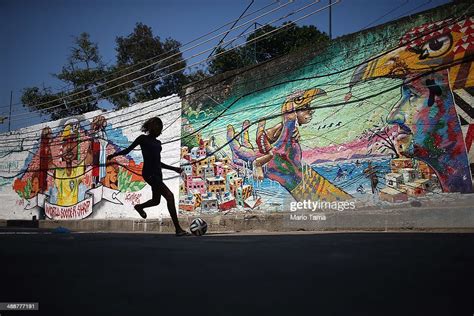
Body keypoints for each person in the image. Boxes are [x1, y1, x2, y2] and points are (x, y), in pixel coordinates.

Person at [107, 117, 190, 236]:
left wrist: (174, 169)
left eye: (160, 129)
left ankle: (139, 207)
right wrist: (114, 154)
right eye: (159, 128)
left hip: (157, 174)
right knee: (169, 196)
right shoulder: (143, 139)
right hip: (149, 174)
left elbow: (158, 162)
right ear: (153, 128)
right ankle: (178, 229)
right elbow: (127, 150)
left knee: (156, 201)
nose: (160, 131)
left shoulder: (158, 143)